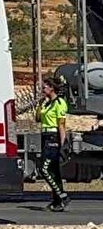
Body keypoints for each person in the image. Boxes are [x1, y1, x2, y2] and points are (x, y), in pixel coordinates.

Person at [38, 78, 70, 212]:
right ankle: (57, 201)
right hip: (44, 136)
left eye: (45, 87)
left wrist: (62, 144)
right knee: (54, 171)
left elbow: (61, 125)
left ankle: (63, 196)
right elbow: (38, 119)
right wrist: (40, 105)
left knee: (44, 169)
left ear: (52, 88)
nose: (42, 89)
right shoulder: (47, 103)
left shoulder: (59, 103)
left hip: (53, 137)